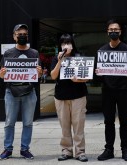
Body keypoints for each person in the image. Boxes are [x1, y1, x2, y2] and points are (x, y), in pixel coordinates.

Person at [0, 24, 42, 160]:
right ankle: (7, 149)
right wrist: (1, 73)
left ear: (27, 36)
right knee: (9, 122)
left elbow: (38, 75)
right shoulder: (8, 53)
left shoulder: (34, 53)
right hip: (11, 92)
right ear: (14, 36)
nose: (22, 36)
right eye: (19, 34)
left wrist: (39, 73)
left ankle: (25, 149)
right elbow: (1, 75)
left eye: (24, 34)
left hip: (29, 91)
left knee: (28, 123)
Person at [96, 19, 127, 161]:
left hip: (123, 89)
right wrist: (98, 72)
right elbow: (98, 71)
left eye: (116, 29)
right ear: (107, 32)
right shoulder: (101, 50)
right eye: (111, 29)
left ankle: (126, 149)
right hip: (107, 90)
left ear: (120, 31)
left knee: (124, 121)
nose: (113, 32)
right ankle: (109, 149)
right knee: (108, 121)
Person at [50, 34, 89, 162]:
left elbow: (87, 77)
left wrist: (78, 80)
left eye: (68, 43)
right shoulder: (56, 59)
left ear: (73, 45)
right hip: (61, 96)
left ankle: (80, 152)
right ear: (60, 46)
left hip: (78, 96)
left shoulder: (79, 57)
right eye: (63, 43)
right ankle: (66, 150)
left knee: (78, 126)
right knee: (64, 126)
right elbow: (53, 76)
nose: (66, 46)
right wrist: (60, 60)